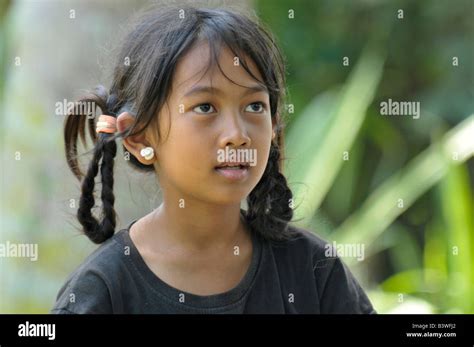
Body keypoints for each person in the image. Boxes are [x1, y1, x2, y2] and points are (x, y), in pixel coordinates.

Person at [51, 4, 375, 314]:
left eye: (254, 106)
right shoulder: (104, 291)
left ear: (274, 126)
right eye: (205, 107)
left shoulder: (312, 270)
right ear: (139, 137)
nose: (237, 134)